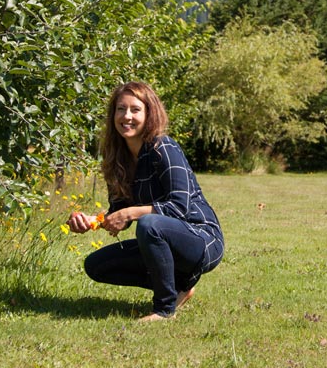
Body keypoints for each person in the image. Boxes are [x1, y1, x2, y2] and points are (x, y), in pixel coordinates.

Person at [67, 81, 224, 321]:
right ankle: (180, 286)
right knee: (97, 265)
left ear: (149, 114)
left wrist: (131, 213)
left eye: (135, 109)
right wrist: (92, 221)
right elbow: (120, 211)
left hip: (201, 238)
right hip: (158, 234)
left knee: (149, 224)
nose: (126, 116)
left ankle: (164, 309)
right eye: (120, 109)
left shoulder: (164, 148)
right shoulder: (116, 158)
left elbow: (179, 207)